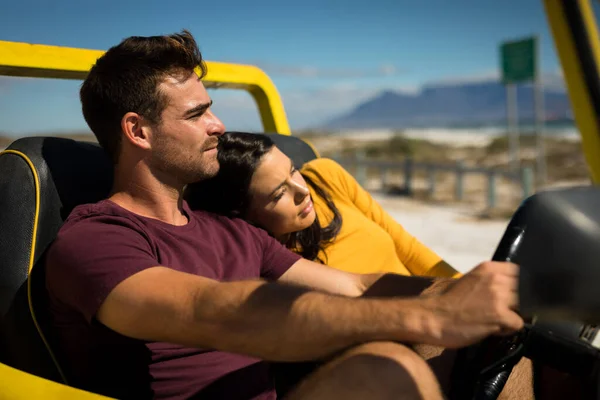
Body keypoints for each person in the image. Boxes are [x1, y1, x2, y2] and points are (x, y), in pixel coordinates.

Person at [44, 30, 527, 400]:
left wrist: (468, 292)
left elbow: (357, 286)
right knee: (383, 367)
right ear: (139, 131)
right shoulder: (95, 240)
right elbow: (212, 312)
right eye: (196, 115)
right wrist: (425, 316)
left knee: (506, 345)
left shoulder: (233, 233)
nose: (219, 126)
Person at [185, 131, 460, 278]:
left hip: (436, 307)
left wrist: (461, 286)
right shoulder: (267, 266)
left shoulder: (324, 177)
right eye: (279, 193)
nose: (303, 191)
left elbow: (408, 247)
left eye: (293, 170)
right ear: (244, 215)